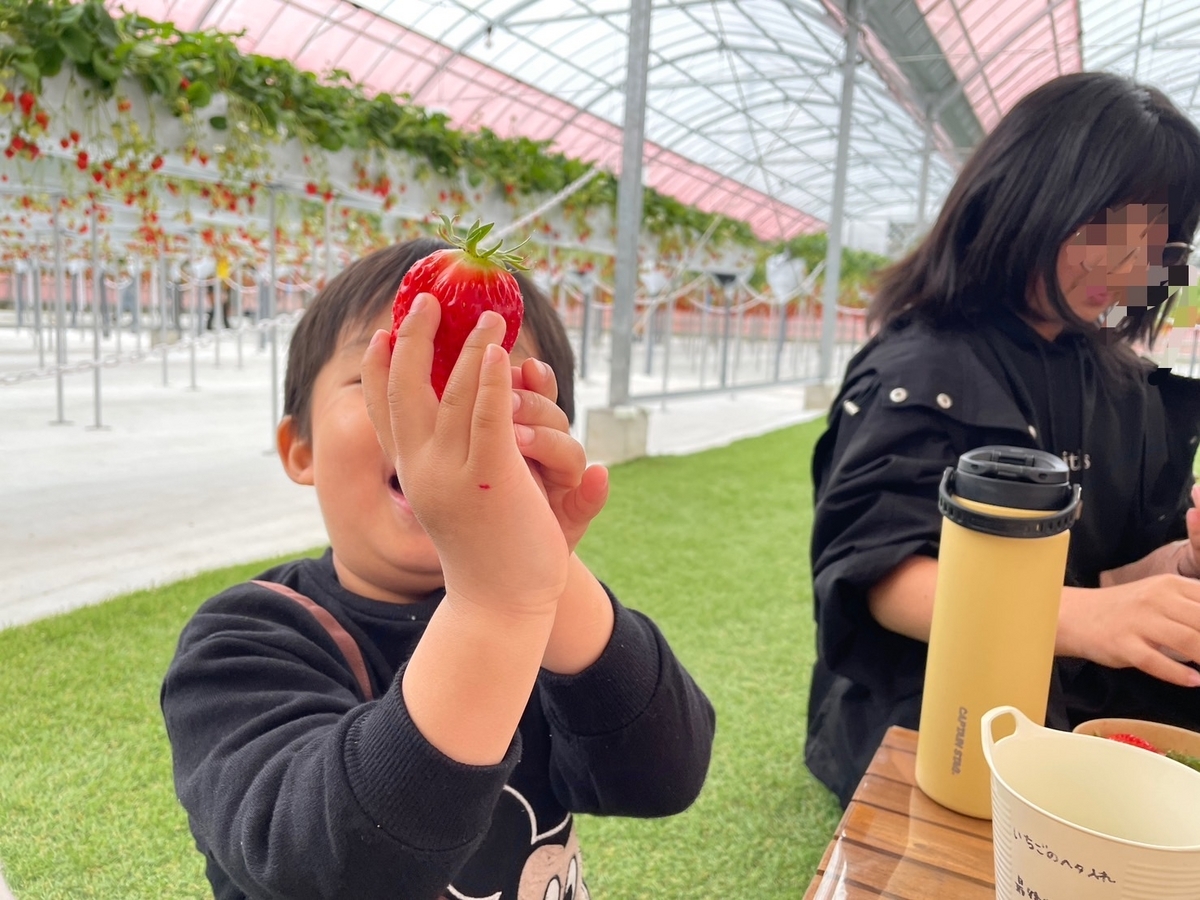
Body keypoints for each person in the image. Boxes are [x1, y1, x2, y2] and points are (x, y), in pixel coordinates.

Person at [161, 237, 716, 900]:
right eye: (392, 371)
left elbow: (663, 775)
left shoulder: (542, 617)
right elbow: (332, 868)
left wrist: (546, 570)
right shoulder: (244, 643)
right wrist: (496, 603)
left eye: (487, 382)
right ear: (299, 447)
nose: (438, 407)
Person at [805, 71, 1200, 807]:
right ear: (1027, 193)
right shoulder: (922, 366)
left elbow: (1108, 575)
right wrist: (1082, 619)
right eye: (1108, 227)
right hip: (940, 689)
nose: (1126, 267)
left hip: (1075, 674)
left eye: (1153, 242)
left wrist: (1181, 560)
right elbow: (880, 577)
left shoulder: (1119, 379)